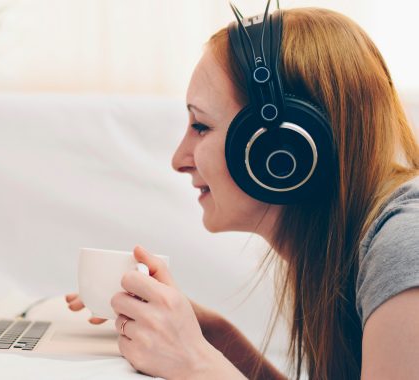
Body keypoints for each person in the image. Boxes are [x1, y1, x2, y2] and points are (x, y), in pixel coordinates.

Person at [66, 5, 419, 379]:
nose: (178, 159)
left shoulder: (405, 244)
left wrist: (194, 362)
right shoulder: (347, 248)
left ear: (282, 151)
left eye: (200, 125)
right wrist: (213, 336)